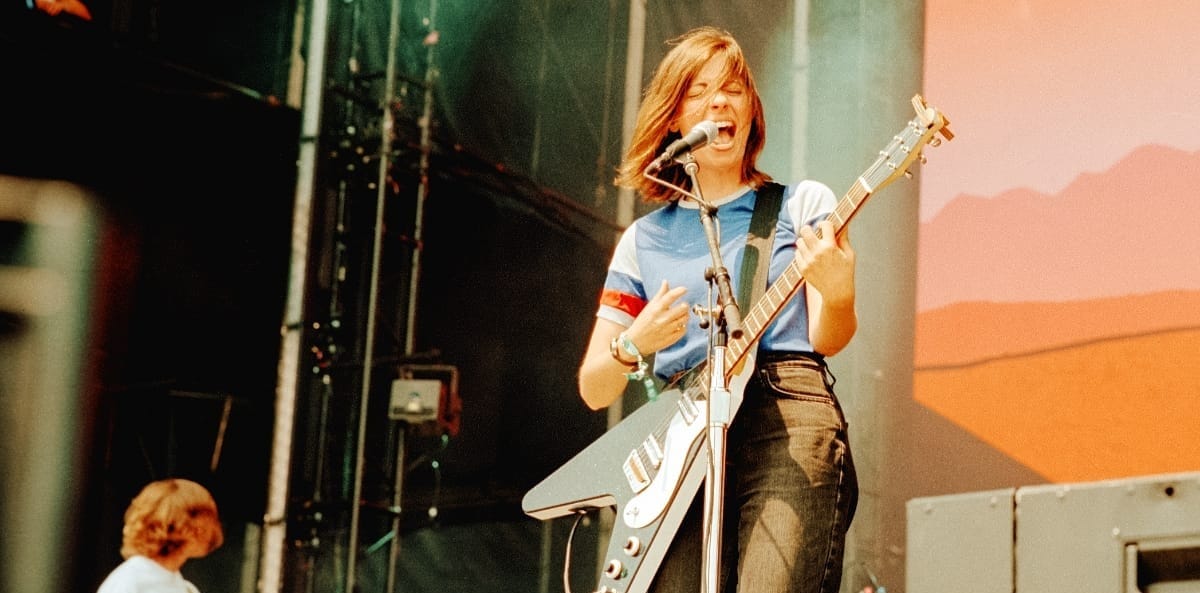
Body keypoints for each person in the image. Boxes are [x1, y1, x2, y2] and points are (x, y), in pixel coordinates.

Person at [577, 26, 859, 593]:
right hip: (681, 438)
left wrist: (840, 291)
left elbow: (829, 338)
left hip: (787, 413)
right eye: (700, 90)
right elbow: (594, 387)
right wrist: (636, 342)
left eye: (733, 88)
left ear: (751, 110)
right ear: (675, 120)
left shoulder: (802, 203)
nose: (720, 101)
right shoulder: (642, 239)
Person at [96, 478, 225, 593]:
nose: (212, 530)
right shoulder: (130, 582)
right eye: (207, 520)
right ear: (186, 528)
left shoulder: (185, 588)